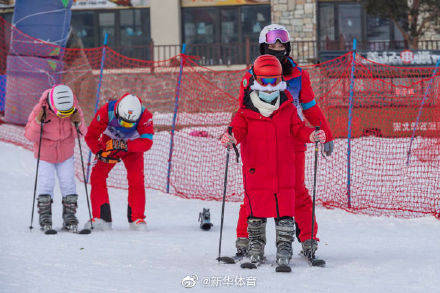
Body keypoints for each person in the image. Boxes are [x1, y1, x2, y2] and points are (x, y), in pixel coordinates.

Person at [233, 24, 334, 259]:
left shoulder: (298, 75)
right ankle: (245, 240)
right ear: (263, 47)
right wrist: (234, 135)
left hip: (293, 139)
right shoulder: (251, 75)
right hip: (258, 142)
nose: (277, 48)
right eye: (272, 45)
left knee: (296, 192)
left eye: (281, 45)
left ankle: (308, 239)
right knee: (254, 192)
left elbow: (310, 107)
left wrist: (325, 132)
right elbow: (241, 112)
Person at [84, 93, 154, 231]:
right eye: (123, 122)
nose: (126, 126)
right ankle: (101, 218)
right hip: (110, 142)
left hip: (133, 145)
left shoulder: (145, 116)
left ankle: (137, 218)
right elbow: (91, 136)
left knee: (137, 179)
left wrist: (126, 145)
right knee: (97, 175)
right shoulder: (106, 111)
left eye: (130, 123)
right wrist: (99, 152)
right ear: (117, 112)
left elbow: (147, 142)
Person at [25, 84, 86, 232]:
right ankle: (45, 217)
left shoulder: (74, 108)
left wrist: (77, 122)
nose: (64, 115)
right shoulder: (41, 109)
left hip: (66, 154)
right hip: (45, 155)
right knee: (46, 183)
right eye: (61, 113)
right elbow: (29, 136)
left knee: (69, 183)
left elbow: (82, 134)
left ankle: (69, 217)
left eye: (67, 112)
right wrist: (38, 122)